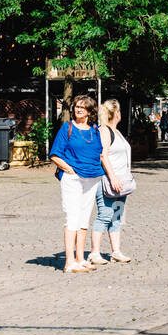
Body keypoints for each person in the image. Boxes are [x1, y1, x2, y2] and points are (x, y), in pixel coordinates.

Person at [50, 95, 104, 273]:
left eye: (82, 107)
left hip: (92, 177)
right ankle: (69, 262)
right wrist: (69, 169)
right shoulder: (68, 128)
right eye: (76, 107)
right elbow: (55, 154)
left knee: (83, 219)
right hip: (73, 179)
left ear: (90, 111)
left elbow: (101, 153)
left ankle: (80, 259)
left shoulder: (95, 130)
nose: (78, 110)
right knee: (72, 218)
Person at [88, 99, 133, 266]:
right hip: (107, 181)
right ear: (116, 113)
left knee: (117, 216)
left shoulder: (117, 131)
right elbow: (103, 156)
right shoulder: (105, 131)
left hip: (121, 182)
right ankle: (94, 253)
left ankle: (116, 251)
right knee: (105, 214)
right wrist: (113, 177)